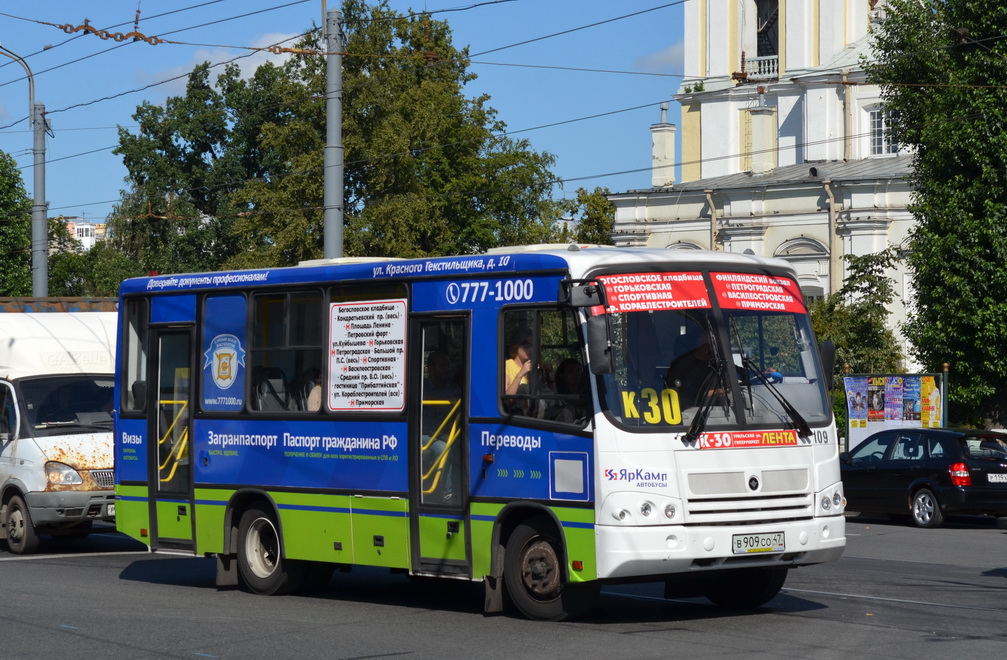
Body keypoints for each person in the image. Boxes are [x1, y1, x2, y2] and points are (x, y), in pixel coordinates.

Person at [665, 339, 721, 408]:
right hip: (687, 413)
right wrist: (712, 393)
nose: (710, 346)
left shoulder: (720, 367)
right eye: (705, 340)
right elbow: (676, 397)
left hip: (716, 413)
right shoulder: (681, 366)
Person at [546, 358, 588, 423]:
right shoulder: (560, 395)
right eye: (570, 371)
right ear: (563, 375)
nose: (576, 374)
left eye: (578, 370)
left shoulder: (588, 392)